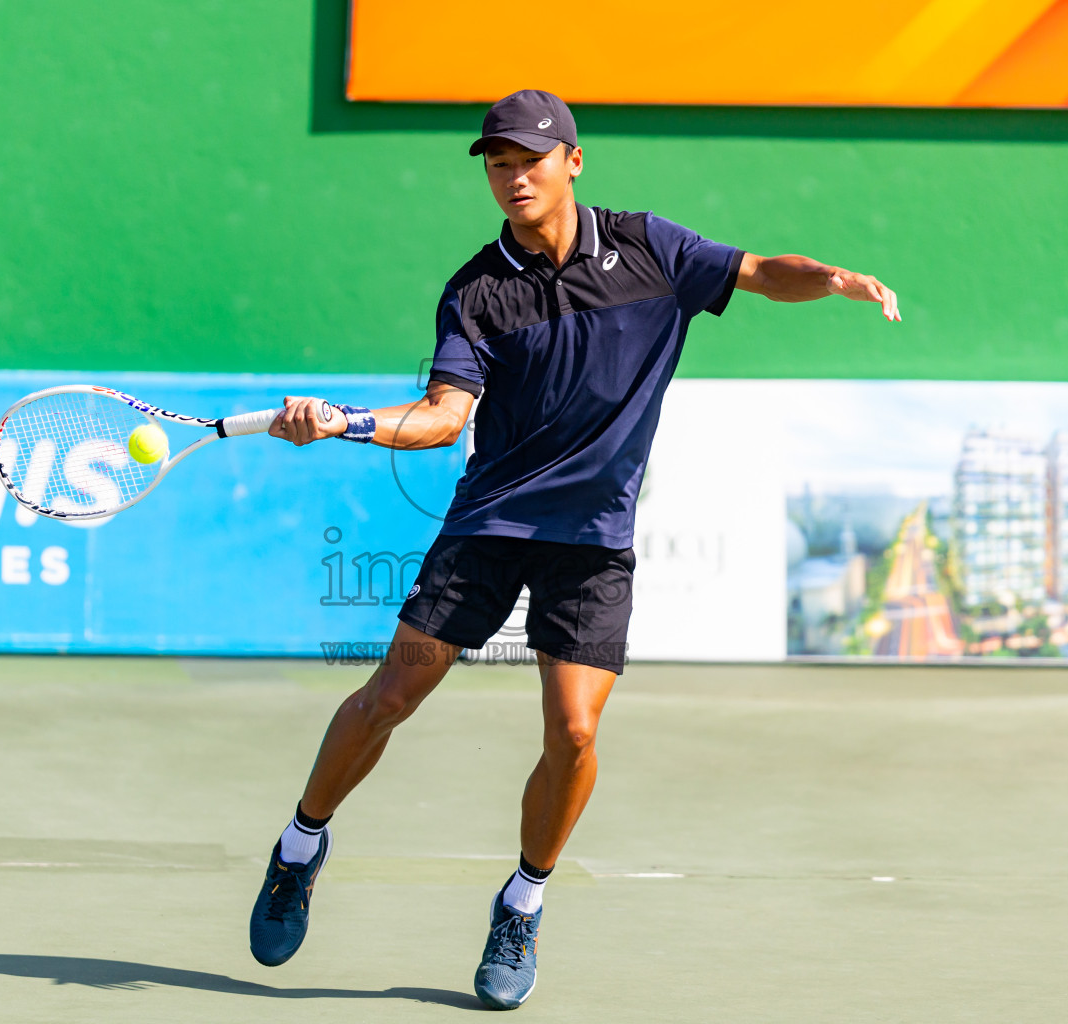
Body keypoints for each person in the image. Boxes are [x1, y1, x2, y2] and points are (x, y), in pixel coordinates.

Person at [254, 88, 899, 1010]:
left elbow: (761, 271)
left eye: (527, 159)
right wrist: (345, 424)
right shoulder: (477, 289)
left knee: (577, 730)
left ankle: (523, 900)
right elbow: (443, 419)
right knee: (393, 691)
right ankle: (300, 846)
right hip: (491, 524)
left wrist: (834, 279)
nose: (510, 177)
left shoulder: (650, 248)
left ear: (572, 161)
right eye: (495, 163)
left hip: (592, 540)